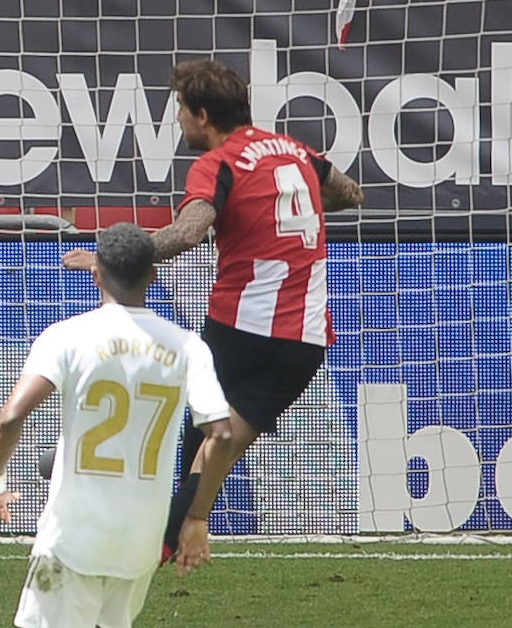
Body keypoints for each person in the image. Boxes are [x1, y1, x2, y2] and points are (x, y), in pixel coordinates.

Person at [61, 59, 364, 558]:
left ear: (202, 115)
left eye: (180, 109)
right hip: (304, 343)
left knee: (182, 435)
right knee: (213, 449)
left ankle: (93, 489)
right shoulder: (296, 151)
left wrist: (110, 258)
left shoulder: (217, 164)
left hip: (239, 330)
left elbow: (187, 232)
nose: (177, 119)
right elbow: (353, 194)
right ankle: (173, 536)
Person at [0, 223, 235, 628]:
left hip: (73, 536)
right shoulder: (189, 346)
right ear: (153, 275)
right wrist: (197, 516)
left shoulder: (66, 336)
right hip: (139, 543)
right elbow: (221, 434)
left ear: (96, 272)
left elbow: (12, 416)